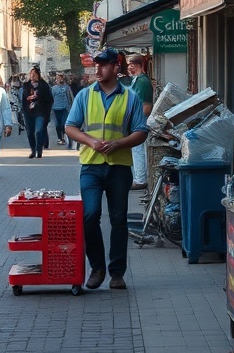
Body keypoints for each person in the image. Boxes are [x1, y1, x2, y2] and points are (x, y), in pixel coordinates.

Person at [65, 48, 148, 291]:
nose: (98, 69)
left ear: (116, 67)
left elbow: (141, 131)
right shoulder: (85, 95)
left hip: (119, 167)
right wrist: (91, 141)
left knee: (118, 220)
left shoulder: (130, 97)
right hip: (91, 165)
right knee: (90, 215)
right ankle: (97, 268)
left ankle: (117, 273)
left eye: (103, 65)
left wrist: (118, 144)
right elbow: (70, 126)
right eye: (96, 65)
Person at [126, 54, 154, 190]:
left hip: (139, 121)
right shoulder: (136, 80)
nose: (128, 67)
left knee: (138, 150)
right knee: (136, 150)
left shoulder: (142, 82)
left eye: (130, 65)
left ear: (136, 65)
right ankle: (138, 177)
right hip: (136, 120)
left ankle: (140, 179)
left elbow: (146, 107)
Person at [20, 66, 53, 158]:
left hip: (40, 112)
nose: (32, 76)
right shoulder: (26, 85)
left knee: (39, 130)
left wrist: (38, 99)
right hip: (28, 112)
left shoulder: (44, 85)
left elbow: (49, 99)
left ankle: (39, 149)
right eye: (31, 74)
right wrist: (24, 107)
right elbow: (23, 99)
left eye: (34, 74)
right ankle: (33, 149)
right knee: (30, 131)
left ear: (38, 75)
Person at [50, 73, 73, 145]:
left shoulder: (67, 87)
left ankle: (64, 137)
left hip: (65, 108)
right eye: (58, 78)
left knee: (63, 124)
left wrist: (72, 106)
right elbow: (51, 98)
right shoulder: (53, 88)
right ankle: (60, 138)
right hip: (55, 109)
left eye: (61, 77)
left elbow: (71, 97)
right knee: (57, 125)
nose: (59, 79)